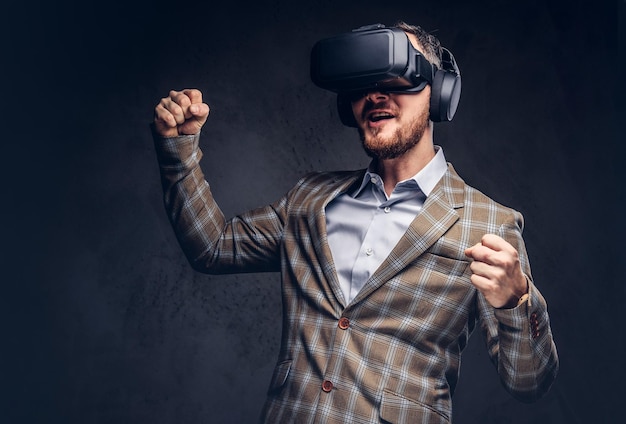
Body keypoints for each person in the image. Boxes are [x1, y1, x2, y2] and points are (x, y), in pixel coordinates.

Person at [152, 21, 558, 424]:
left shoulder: (489, 224)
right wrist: (178, 149)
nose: (375, 95)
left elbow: (529, 382)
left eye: (395, 78)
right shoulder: (310, 199)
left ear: (439, 93)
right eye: (361, 84)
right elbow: (213, 247)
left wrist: (518, 300)